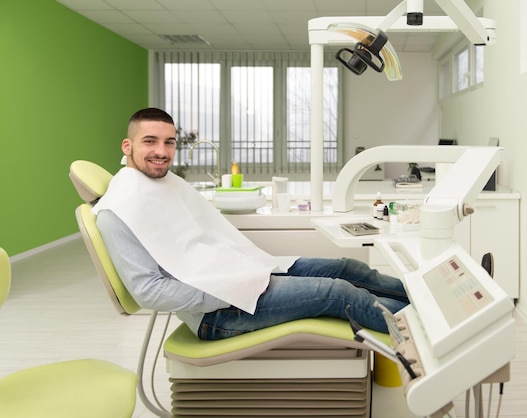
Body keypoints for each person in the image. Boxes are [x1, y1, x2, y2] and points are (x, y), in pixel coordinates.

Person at [94, 108, 408, 341]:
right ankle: (421, 326)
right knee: (337, 292)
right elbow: (149, 293)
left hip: (240, 278)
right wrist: (228, 292)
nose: (161, 152)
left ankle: (421, 298)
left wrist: (244, 275)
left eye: (169, 142)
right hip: (218, 313)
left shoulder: (162, 183)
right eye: (150, 141)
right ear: (127, 146)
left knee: (346, 268)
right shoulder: (118, 210)